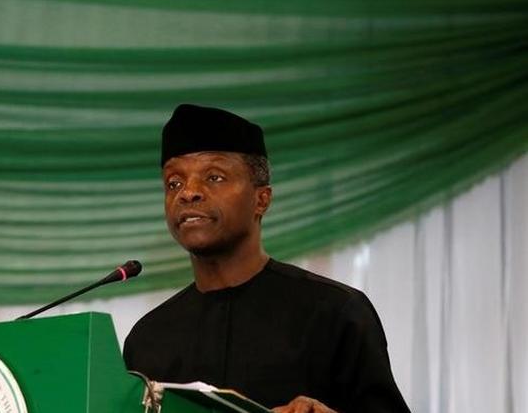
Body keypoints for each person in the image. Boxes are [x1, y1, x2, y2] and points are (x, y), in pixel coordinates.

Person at [123, 104, 410, 413]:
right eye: (173, 182)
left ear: (262, 199)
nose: (188, 193)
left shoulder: (334, 313)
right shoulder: (147, 339)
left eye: (214, 177)